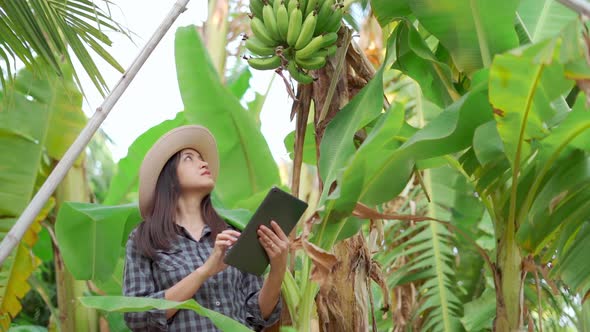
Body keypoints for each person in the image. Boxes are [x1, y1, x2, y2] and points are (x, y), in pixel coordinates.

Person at [123, 125, 287, 331]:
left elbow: (257, 314)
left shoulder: (231, 234)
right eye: (189, 158)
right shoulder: (144, 239)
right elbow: (136, 316)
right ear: (169, 177)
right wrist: (204, 272)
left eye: (202, 158)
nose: (202, 163)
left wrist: (278, 267)